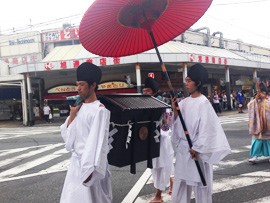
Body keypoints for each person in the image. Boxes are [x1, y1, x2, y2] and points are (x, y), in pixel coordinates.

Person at [171, 63, 231, 203]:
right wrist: (175, 111)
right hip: (183, 152)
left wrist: (197, 148)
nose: (186, 83)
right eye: (186, 80)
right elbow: (178, 128)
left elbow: (208, 131)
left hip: (196, 153)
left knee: (201, 190)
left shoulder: (204, 103)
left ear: (197, 83)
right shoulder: (183, 102)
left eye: (189, 81)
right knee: (180, 187)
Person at [59, 62, 112, 203]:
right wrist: (72, 116)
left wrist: (89, 171)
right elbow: (67, 138)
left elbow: (97, 143)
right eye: (78, 84)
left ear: (93, 85)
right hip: (75, 166)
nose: (78, 88)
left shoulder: (100, 110)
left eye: (82, 84)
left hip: (90, 167)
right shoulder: (78, 107)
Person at [143, 77, 174, 203]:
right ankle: (171, 183)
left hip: (161, 140)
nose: (145, 92)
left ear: (154, 91)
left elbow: (167, 125)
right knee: (157, 166)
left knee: (161, 166)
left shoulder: (164, 104)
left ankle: (158, 195)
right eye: (144, 90)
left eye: (148, 90)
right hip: (151, 140)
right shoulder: (144, 103)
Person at [248, 82, 270, 163]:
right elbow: (249, 106)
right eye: (259, 92)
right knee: (257, 140)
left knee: (268, 141)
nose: (261, 94)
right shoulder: (255, 100)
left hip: (268, 125)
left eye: (262, 92)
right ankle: (255, 156)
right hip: (258, 125)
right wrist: (256, 100)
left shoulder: (268, 100)